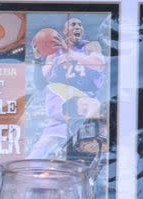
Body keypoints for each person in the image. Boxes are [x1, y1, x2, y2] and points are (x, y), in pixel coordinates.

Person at [29, 17, 106, 159]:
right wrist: (37, 60)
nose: (77, 27)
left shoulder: (90, 46)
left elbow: (99, 63)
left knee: (93, 104)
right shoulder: (53, 54)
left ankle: (86, 146)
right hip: (59, 109)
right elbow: (40, 84)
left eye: (80, 25)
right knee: (39, 150)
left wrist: (70, 53)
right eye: (73, 24)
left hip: (80, 108)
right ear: (65, 31)